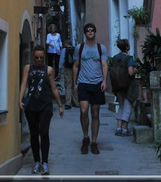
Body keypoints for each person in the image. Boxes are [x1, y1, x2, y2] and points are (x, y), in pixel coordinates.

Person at [19, 44, 64, 175]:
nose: (39, 60)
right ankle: (36, 161)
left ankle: (45, 162)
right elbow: (23, 84)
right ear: (33, 57)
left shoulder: (48, 69)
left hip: (45, 105)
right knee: (34, 134)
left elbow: (54, 88)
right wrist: (20, 99)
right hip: (31, 105)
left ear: (44, 57)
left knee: (44, 133)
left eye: (41, 58)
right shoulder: (28, 68)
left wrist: (60, 105)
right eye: (36, 57)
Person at [73, 23, 108, 154]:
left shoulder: (101, 48)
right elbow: (76, 65)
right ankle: (85, 137)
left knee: (95, 113)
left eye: (92, 30)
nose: (90, 32)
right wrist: (74, 83)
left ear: (95, 32)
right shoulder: (79, 48)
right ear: (85, 33)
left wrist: (104, 80)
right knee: (83, 111)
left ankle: (93, 141)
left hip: (97, 83)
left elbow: (104, 65)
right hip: (83, 83)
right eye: (88, 30)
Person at [111, 38, 136, 136]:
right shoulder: (129, 58)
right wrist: (136, 71)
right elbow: (130, 72)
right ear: (127, 47)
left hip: (117, 86)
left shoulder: (115, 58)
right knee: (127, 107)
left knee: (121, 106)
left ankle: (118, 128)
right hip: (127, 86)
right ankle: (125, 129)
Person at [59, 39, 79, 109]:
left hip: (67, 69)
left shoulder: (64, 50)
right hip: (76, 68)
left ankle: (68, 103)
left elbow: (61, 60)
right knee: (75, 84)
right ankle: (76, 102)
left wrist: (59, 70)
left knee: (68, 86)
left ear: (66, 44)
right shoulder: (75, 49)